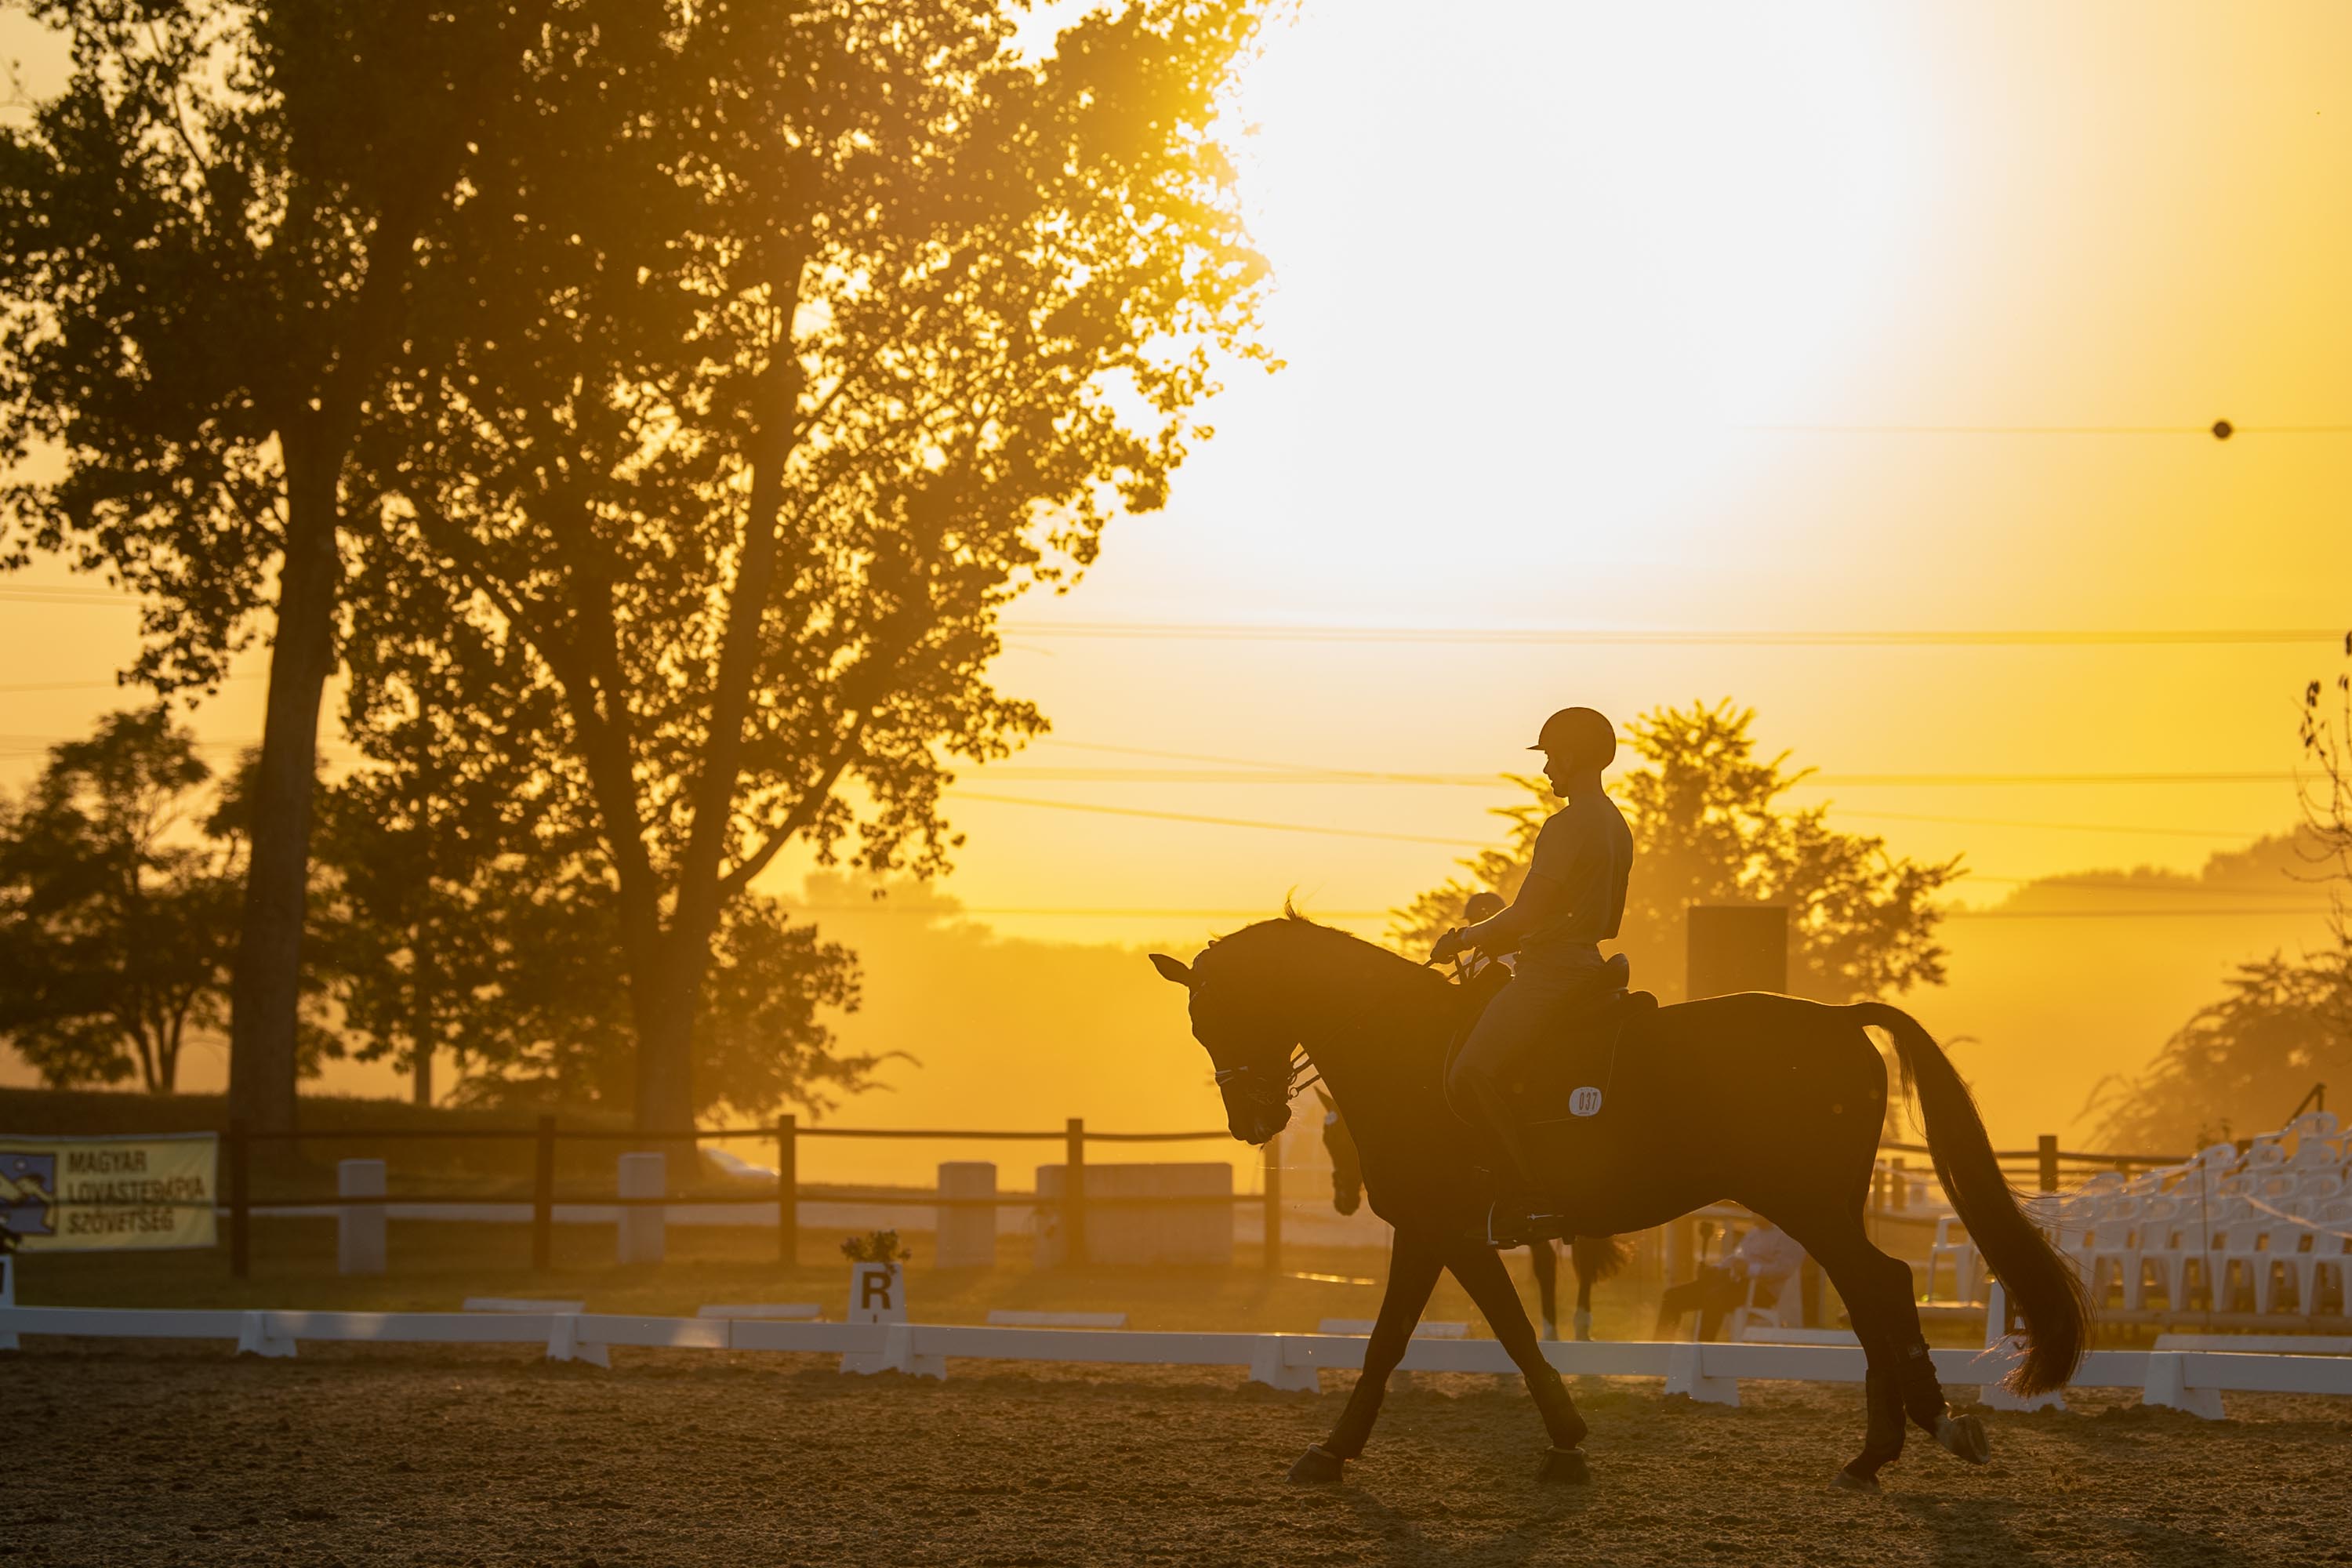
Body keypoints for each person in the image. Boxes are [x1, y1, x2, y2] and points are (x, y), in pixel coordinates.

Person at [1432, 706, 1634, 1247]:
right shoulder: (1616, 823)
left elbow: (1525, 915)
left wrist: (1463, 939)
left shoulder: (1567, 825)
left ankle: (1526, 1199)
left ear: (1570, 756)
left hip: (1551, 972)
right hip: (1586, 961)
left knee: (1467, 1075)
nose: (1546, 770)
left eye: (1550, 758)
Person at [1654, 1222, 1808, 1340]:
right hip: (1730, 1283)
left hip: (1761, 1291)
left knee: (1714, 1297)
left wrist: (1749, 1269)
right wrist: (1714, 1268)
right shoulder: (1753, 1233)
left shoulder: (1788, 1236)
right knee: (1673, 1296)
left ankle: (1703, 1349)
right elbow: (1735, 1258)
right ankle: (1661, 1348)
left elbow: (1784, 1269)